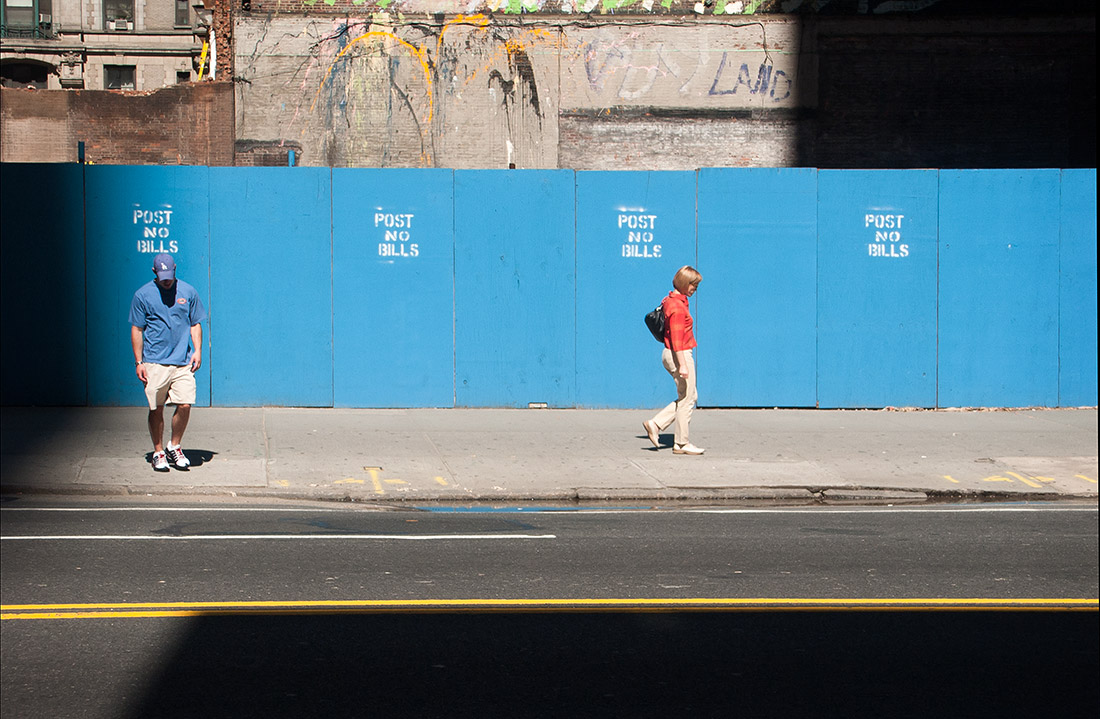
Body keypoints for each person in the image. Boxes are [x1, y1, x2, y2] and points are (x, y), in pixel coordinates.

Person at [129, 253, 206, 471]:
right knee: (157, 408)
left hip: (182, 361)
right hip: (154, 361)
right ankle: (158, 451)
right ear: (154, 272)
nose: (166, 280)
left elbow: (195, 323)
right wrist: (139, 362)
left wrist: (197, 350)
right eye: (162, 276)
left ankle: (175, 446)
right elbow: (137, 329)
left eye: (169, 275)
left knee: (185, 403)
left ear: (175, 269)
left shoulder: (188, 292)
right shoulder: (142, 295)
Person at [643, 265, 704, 455]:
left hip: (672, 353)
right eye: (693, 285)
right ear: (685, 283)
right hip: (679, 353)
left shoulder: (671, 300)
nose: (695, 289)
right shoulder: (677, 307)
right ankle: (681, 443)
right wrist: (683, 365)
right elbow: (677, 340)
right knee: (687, 398)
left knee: (689, 396)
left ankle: (656, 424)